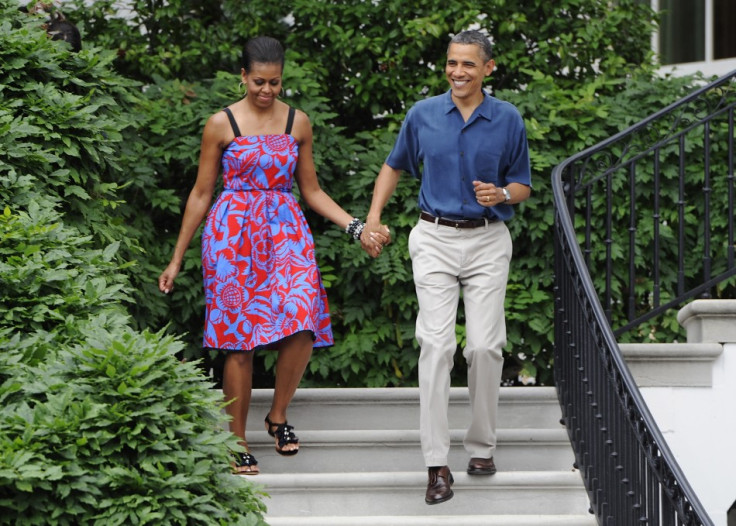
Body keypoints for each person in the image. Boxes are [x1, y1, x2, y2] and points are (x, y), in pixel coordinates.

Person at [158, 36, 388, 475]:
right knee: (239, 342)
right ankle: (236, 439)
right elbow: (202, 193)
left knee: (303, 321)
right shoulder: (221, 124)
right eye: (259, 82)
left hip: (286, 232)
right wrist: (176, 258)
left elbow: (312, 190)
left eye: (275, 83)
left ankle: (277, 415)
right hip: (231, 237)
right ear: (243, 77)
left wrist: (356, 227)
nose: (267, 91)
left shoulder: (297, 123)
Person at [363, 29, 532, 504]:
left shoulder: (507, 119)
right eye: (453, 63)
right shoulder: (422, 115)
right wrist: (373, 219)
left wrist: (500, 194)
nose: (458, 72)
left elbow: (522, 184)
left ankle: (481, 447)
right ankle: (437, 465)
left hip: (487, 240)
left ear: (488, 69)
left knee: (484, 346)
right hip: (434, 238)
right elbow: (393, 166)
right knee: (436, 345)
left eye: (469, 65)